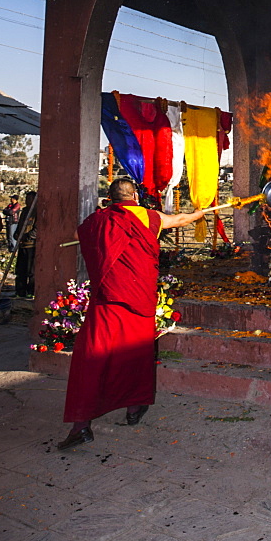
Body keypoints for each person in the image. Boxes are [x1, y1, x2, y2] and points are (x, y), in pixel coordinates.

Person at [57, 177, 205, 450]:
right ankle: (134, 408)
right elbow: (181, 220)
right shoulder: (149, 217)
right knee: (137, 356)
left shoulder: (98, 220)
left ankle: (81, 426)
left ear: (111, 198)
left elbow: (77, 237)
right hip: (138, 302)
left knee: (91, 360)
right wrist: (202, 212)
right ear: (134, 195)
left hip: (108, 303)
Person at [14, 191, 37, 298]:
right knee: (20, 270)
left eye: (30, 199)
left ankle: (31, 291)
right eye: (26, 199)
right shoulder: (24, 211)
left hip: (31, 245)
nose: (27, 201)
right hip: (22, 245)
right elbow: (20, 225)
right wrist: (17, 234)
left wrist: (27, 237)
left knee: (31, 271)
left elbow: (37, 229)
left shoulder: (37, 211)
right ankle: (20, 291)